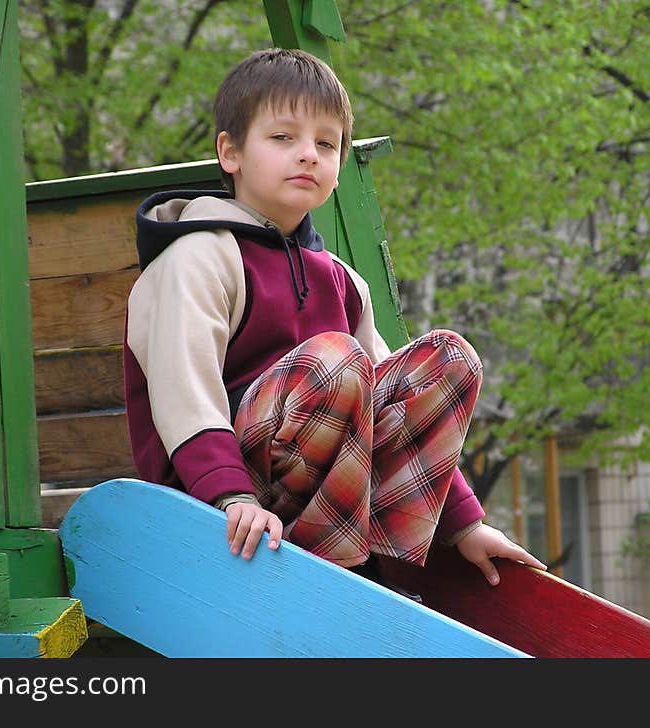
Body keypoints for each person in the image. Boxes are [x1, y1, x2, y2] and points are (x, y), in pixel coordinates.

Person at [123, 47, 545, 590]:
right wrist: (230, 494)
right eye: (283, 138)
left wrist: (466, 522)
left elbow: (398, 402)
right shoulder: (198, 255)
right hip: (215, 494)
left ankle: (367, 566)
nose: (308, 155)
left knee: (447, 359)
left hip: (320, 492)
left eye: (326, 144)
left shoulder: (342, 279)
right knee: (338, 360)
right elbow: (185, 390)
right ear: (230, 152)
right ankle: (343, 570)